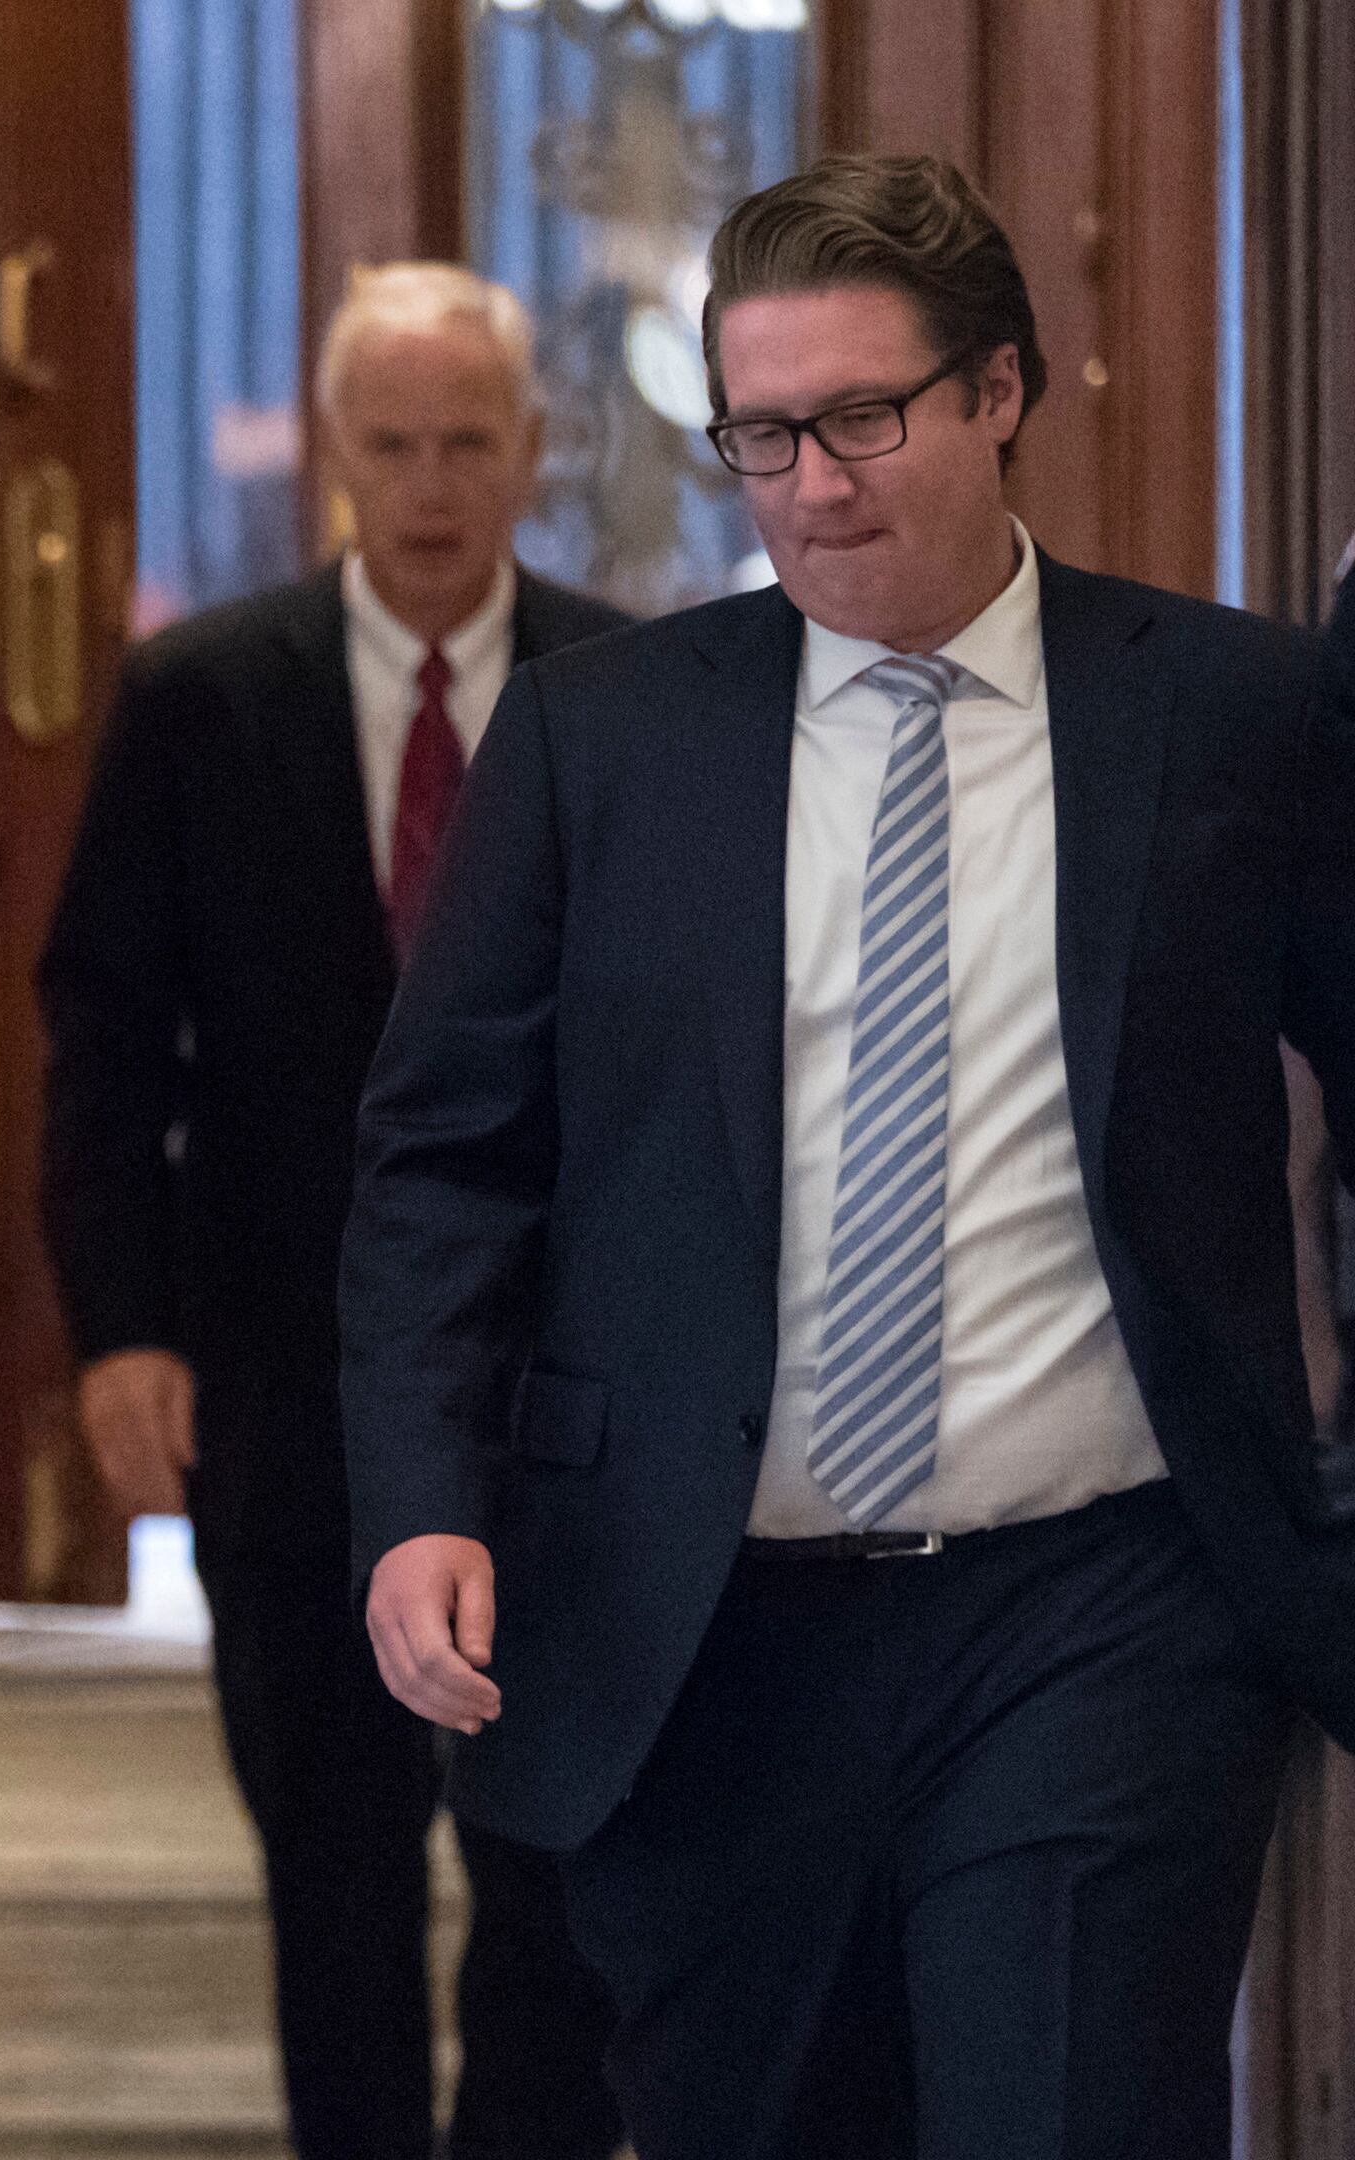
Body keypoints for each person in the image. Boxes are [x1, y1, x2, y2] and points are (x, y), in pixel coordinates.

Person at [344, 154, 1355, 2158]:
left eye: (864, 420)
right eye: (762, 434)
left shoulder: (1234, 718)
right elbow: (447, 1156)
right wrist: (423, 1497)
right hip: (707, 1628)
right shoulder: (599, 743)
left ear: (1000, 393)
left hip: (1106, 1602)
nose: (811, 483)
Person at [41, 262, 625, 2160]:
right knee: (336, 1868)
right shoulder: (202, 698)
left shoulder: (630, 700)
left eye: (472, 441)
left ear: (536, 454)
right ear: (332, 464)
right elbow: (109, 1045)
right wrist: (121, 1328)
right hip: (282, 1382)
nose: (434, 482)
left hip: (570, 1398)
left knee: (553, 1876)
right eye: (394, 443)